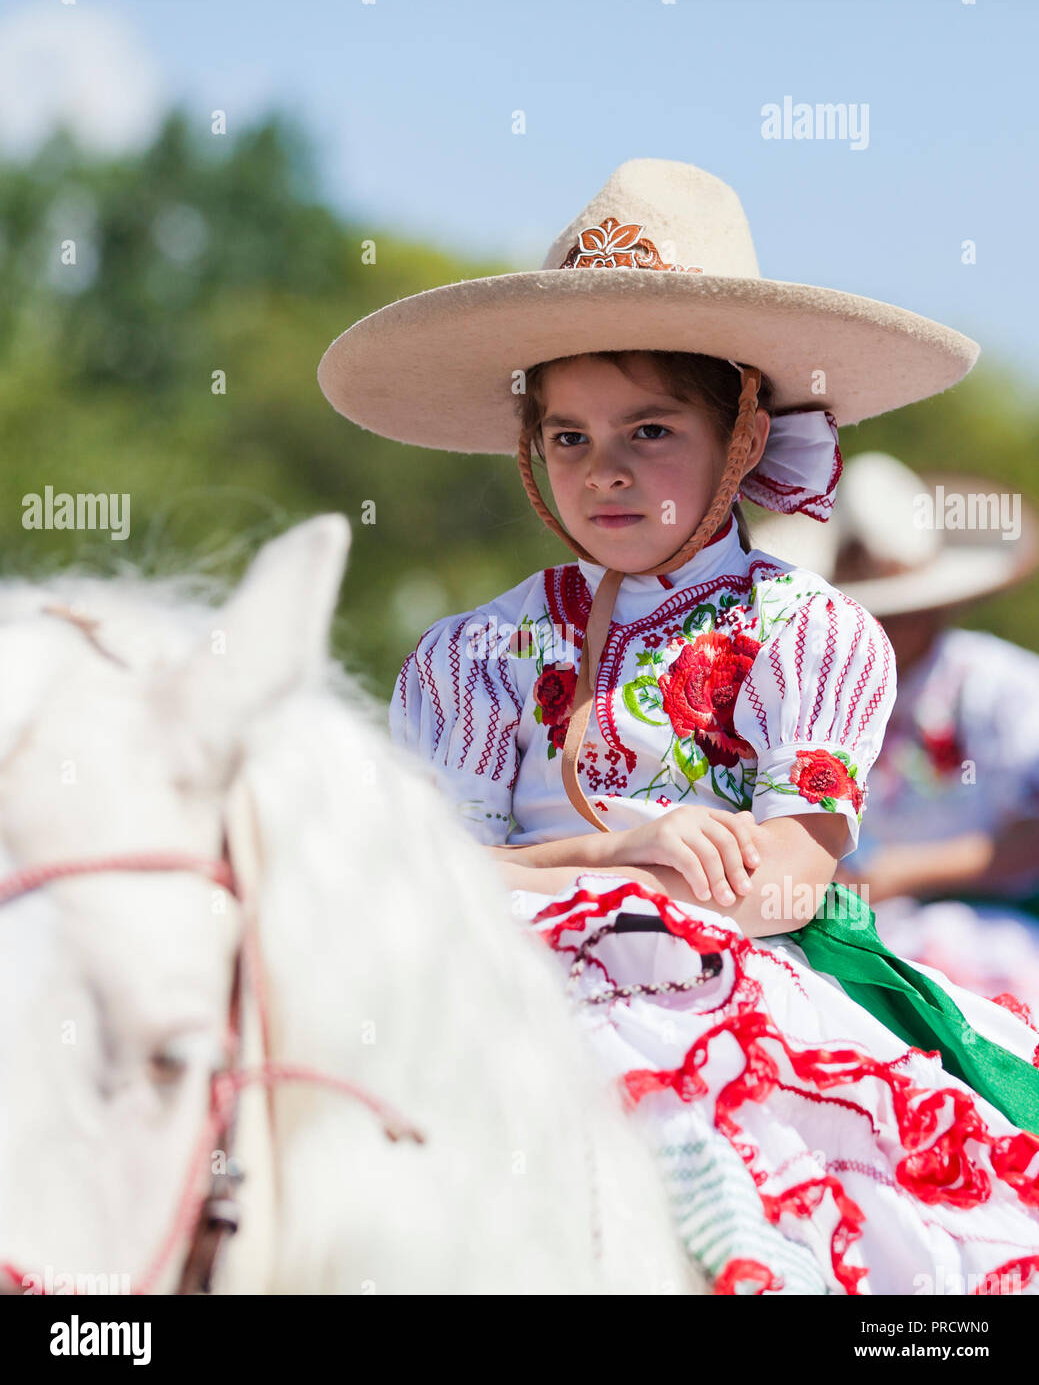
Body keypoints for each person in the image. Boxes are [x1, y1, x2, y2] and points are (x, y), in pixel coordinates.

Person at [317, 158, 1039, 1295]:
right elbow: (430, 877)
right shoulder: (474, 652)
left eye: (648, 430)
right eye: (567, 437)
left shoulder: (803, 632)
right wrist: (611, 853)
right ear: (529, 447)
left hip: (719, 993)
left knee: (862, 1233)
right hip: (498, 988)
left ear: (743, 436)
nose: (603, 471)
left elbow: (791, 885)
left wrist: (643, 888)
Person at [758, 451, 1039, 1019]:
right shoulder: (804, 696)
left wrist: (896, 873)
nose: (891, 628)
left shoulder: (1002, 686)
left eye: (904, 613)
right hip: (837, 930)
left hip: (985, 930)